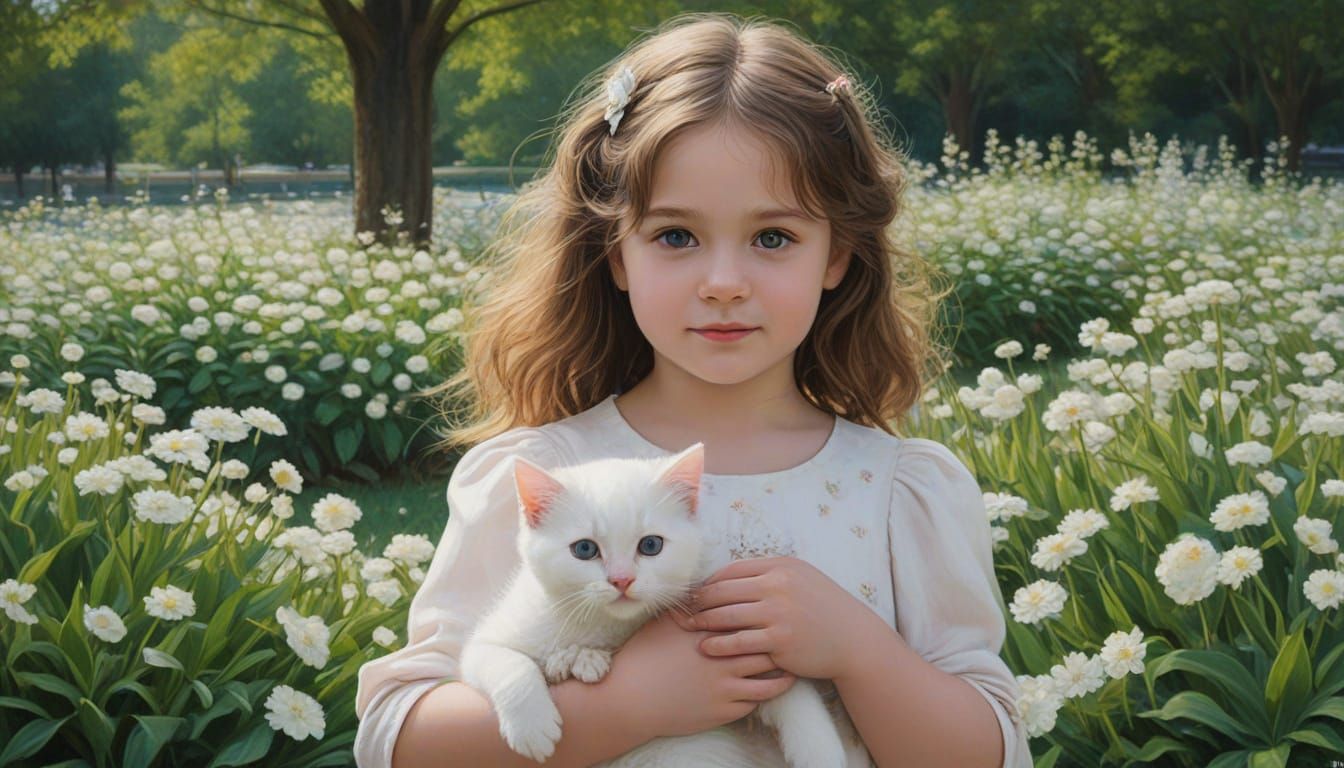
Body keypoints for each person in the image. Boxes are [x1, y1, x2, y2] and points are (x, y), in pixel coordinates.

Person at [354, 12, 1031, 768]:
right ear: (615, 252)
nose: (723, 285)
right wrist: (626, 706)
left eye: (773, 238)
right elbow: (398, 739)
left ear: (837, 253)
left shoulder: (902, 490)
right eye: (675, 236)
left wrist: (859, 650)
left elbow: (990, 753)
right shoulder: (545, 472)